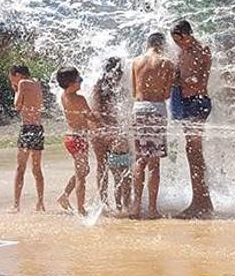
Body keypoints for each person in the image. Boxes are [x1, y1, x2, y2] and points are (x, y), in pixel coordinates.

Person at [130, 32, 178, 219]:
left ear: (148, 44)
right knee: (154, 162)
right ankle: (151, 208)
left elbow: (135, 90)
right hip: (156, 109)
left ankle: (135, 206)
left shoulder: (135, 62)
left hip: (138, 108)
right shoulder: (167, 64)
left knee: (139, 158)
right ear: (162, 45)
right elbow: (166, 94)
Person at [171, 19, 215, 218]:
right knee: (192, 151)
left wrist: (180, 81)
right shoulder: (183, 51)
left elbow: (199, 82)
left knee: (194, 151)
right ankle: (200, 200)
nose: (177, 44)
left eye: (179, 40)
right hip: (187, 102)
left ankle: (202, 203)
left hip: (197, 102)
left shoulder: (201, 51)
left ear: (187, 35)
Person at [55, 67, 95, 216]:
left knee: (83, 171)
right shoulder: (79, 99)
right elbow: (90, 116)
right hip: (78, 139)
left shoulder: (64, 95)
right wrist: (103, 120)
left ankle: (64, 196)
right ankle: (81, 209)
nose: (82, 82)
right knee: (81, 176)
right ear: (71, 83)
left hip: (70, 137)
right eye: (80, 80)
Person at [10, 65, 45, 212]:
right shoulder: (37, 83)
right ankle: (40, 202)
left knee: (20, 168)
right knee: (36, 168)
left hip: (27, 129)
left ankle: (16, 205)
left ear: (17, 74)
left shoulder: (22, 84)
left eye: (12, 77)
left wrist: (16, 89)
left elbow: (17, 105)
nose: (12, 80)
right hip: (38, 128)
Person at [91, 57, 125, 206]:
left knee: (102, 166)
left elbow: (95, 109)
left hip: (97, 131)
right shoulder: (120, 87)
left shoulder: (98, 86)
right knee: (119, 168)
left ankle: (105, 202)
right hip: (110, 132)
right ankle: (119, 203)